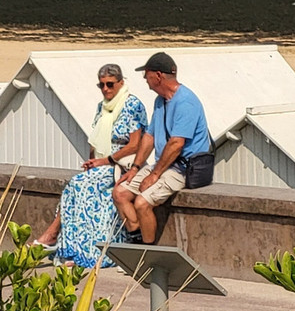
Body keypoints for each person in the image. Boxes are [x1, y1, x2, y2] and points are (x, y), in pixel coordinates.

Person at [34, 64, 148, 266]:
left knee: (77, 185)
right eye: (102, 85)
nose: (106, 89)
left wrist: (106, 161)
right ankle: (71, 246)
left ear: (121, 83)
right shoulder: (102, 107)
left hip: (120, 163)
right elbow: (95, 140)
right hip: (103, 162)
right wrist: (92, 162)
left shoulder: (132, 105)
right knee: (77, 186)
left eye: (110, 84)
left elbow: (135, 144)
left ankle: (54, 236)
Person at [113, 52, 210, 244]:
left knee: (142, 203)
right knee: (120, 193)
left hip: (182, 169)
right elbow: (149, 136)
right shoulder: (160, 101)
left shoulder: (185, 102)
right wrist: (135, 168)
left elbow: (176, 144)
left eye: (146, 74)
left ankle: (146, 255)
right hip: (163, 165)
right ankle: (136, 237)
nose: (145, 80)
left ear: (158, 76)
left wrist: (154, 175)